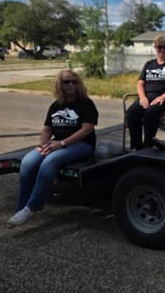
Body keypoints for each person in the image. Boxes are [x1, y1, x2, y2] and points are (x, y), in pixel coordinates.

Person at [7, 70, 99, 226]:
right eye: (66, 82)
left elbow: (87, 129)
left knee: (50, 161)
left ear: (78, 84)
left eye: (74, 82)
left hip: (82, 145)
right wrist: (42, 145)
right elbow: (47, 129)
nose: (71, 85)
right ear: (60, 85)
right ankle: (21, 207)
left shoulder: (86, 103)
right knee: (28, 162)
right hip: (57, 143)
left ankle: (32, 207)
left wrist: (61, 144)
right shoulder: (56, 105)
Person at [126, 35, 165, 150]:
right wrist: (142, 97)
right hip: (146, 97)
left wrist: (163, 96)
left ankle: (148, 145)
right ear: (155, 47)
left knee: (150, 113)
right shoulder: (149, 64)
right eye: (159, 47)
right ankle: (137, 146)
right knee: (131, 113)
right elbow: (140, 83)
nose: (162, 50)